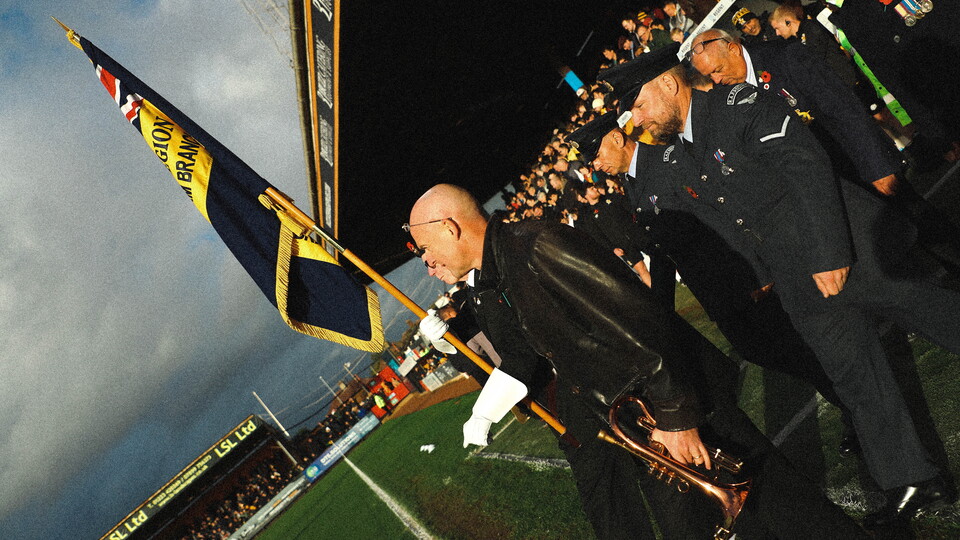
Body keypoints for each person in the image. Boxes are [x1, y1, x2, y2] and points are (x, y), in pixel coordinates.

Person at [612, 41, 960, 528]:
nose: (637, 119)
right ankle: (912, 480)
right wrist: (763, 273)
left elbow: (806, 166)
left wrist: (829, 255)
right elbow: (727, 215)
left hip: (849, 251)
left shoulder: (737, 104)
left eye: (640, 105)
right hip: (797, 278)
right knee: (854, 375)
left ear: (669, 84)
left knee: (932, 311)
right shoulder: (680, 152)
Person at [407, 183, 868, 539]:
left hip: (675, 407)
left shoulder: (537, 247)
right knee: (760, 512)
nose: (427, 264)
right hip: (645, 422)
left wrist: (676, 417)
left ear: (450, 228)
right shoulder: (498, 272)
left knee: (780, 504)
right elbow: (533, 353)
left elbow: (643, 320)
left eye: (424, 249)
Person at [687, 28, 960, 273]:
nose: (716, 79)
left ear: (733, 48)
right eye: (709, 75)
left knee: (924, 227)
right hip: (829, 187)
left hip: (859, 166)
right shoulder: (730, 95)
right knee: (887, 250)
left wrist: (878, 167)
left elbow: (843, 109)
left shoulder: (785, 58)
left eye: (717, 69)